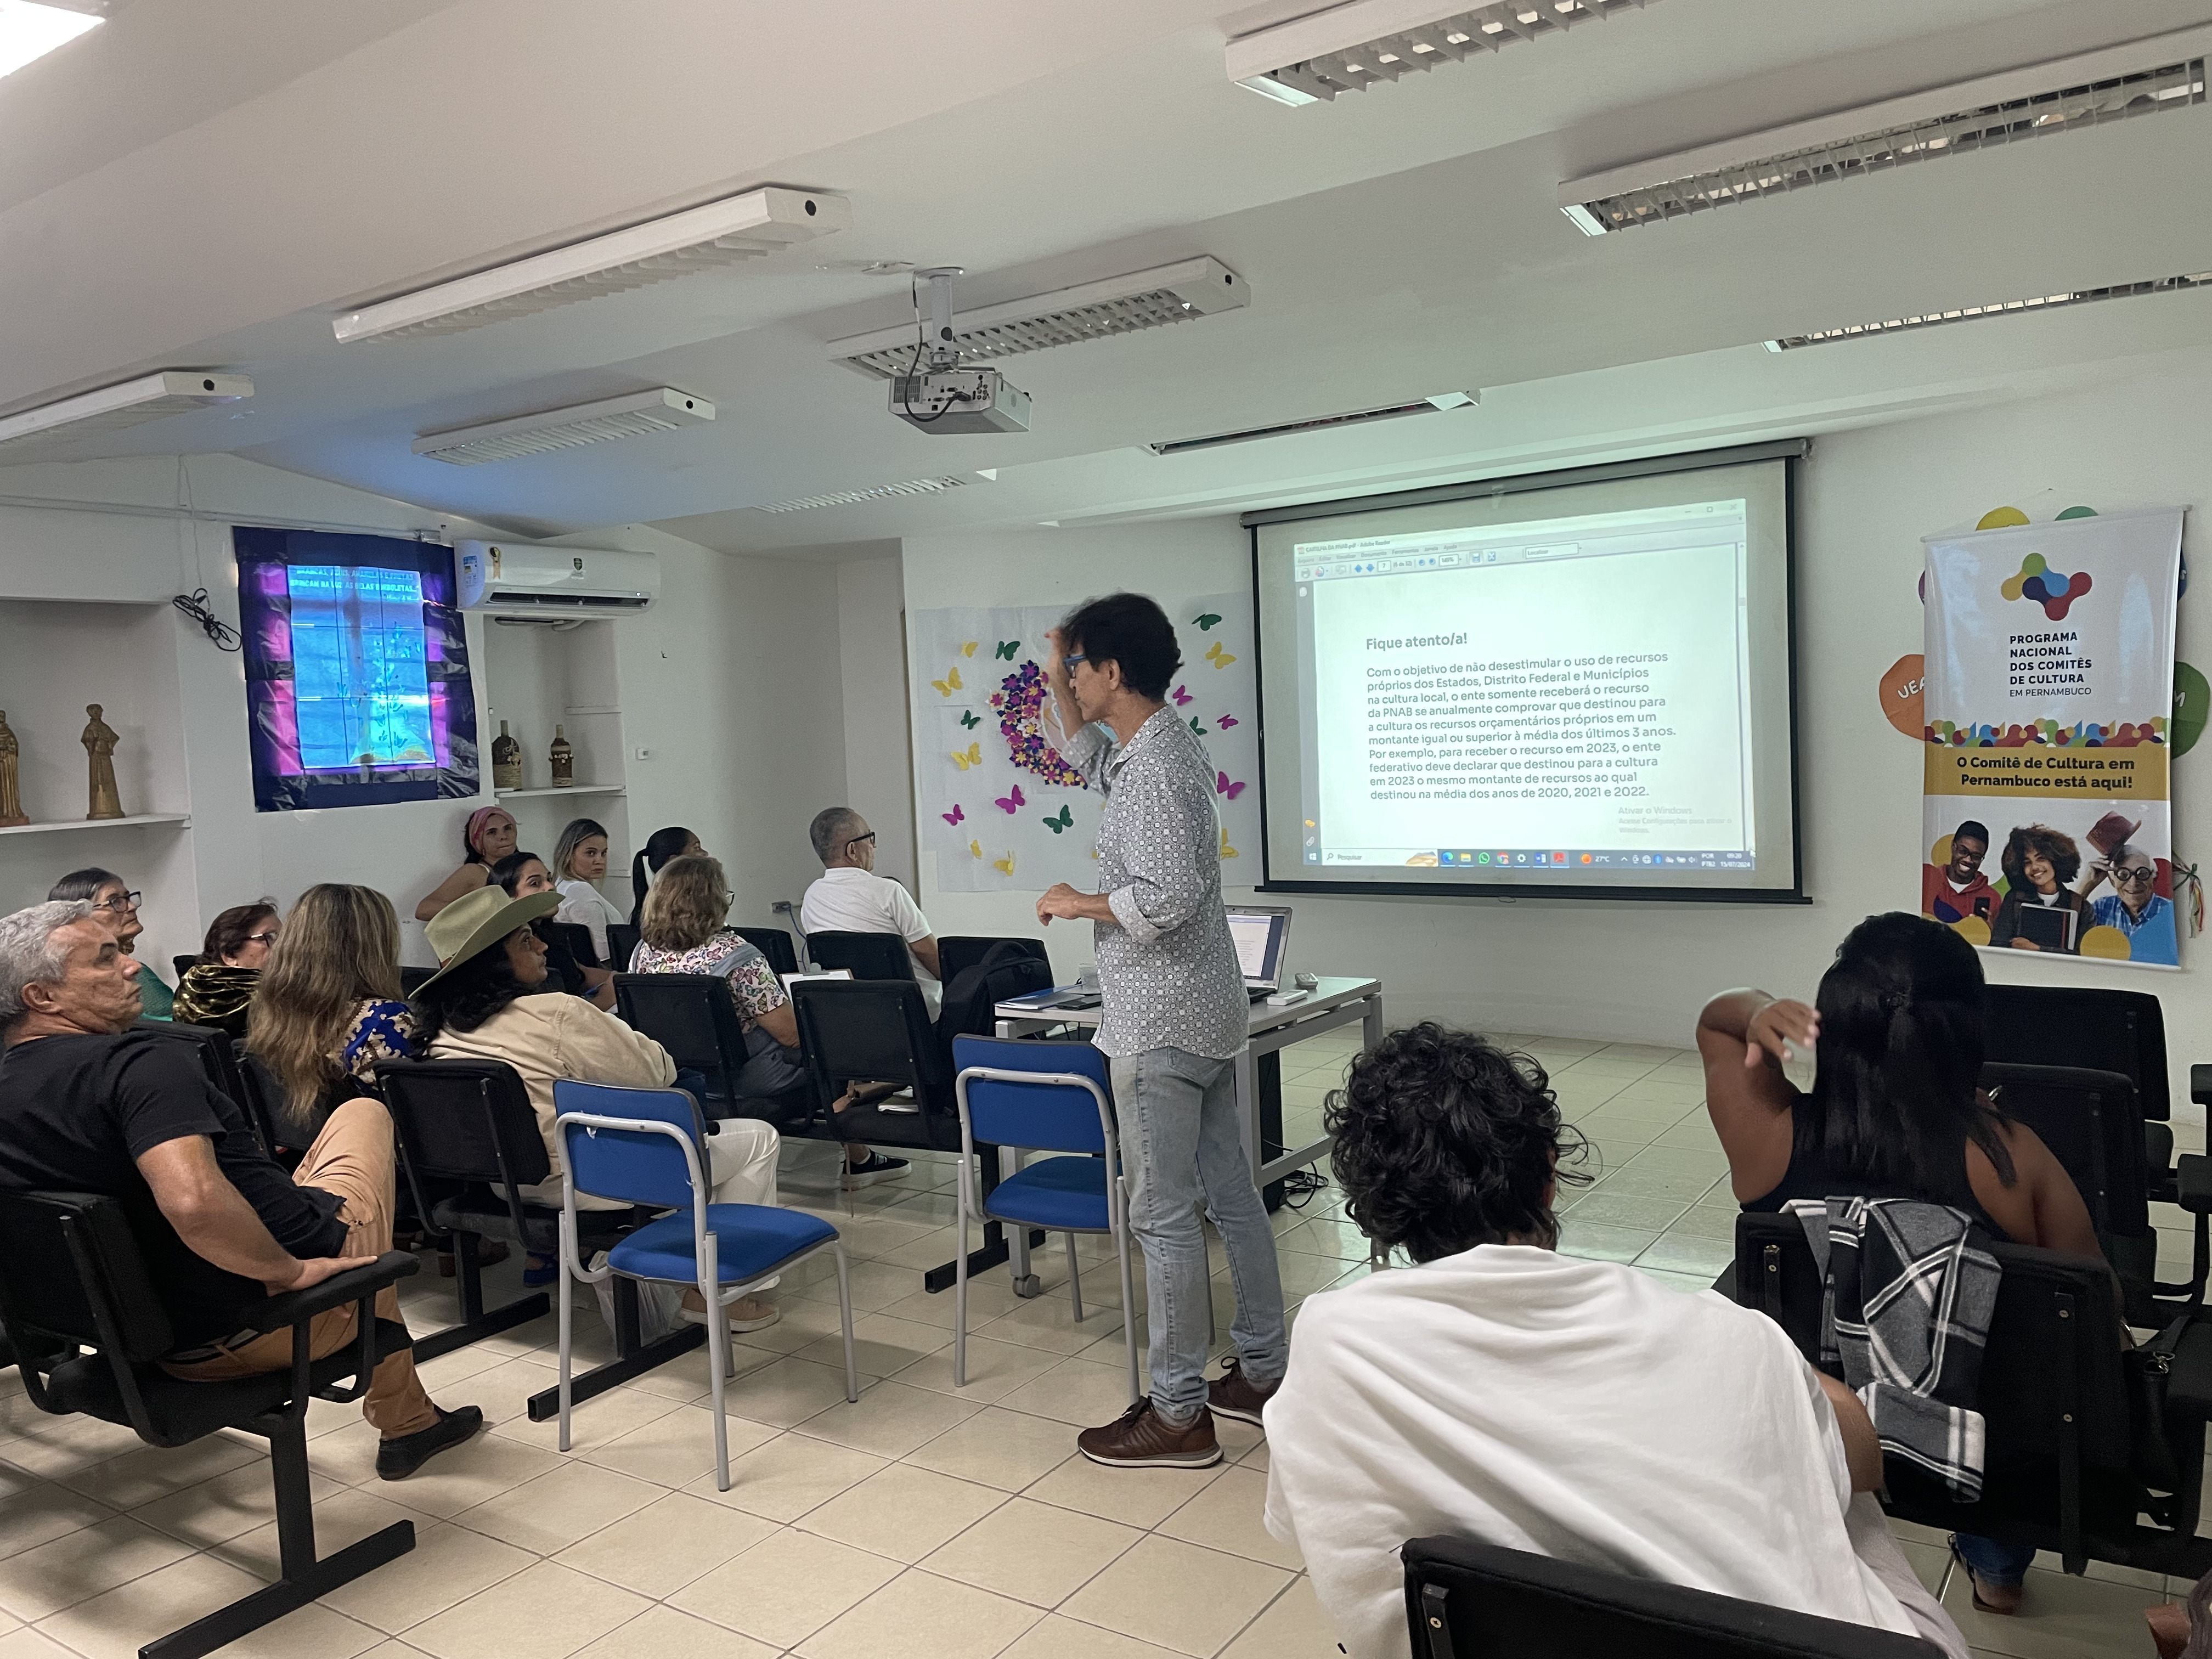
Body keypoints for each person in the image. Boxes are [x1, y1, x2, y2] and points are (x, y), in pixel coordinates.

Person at [1262, 1022, 1967, 1659]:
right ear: (1547, 1176)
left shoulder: (1332, 1344)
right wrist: (1806, 1386)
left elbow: (1309, 1521)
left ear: (1377, 1214)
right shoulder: (1733, 1340)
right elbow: (1867, 1460)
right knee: (1834, 1496)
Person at [1696, 911, 2104, 1615]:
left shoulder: (1768, 1136)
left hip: (1816, 1427)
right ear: (1968, 1033)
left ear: (1831, 1022)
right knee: (2016, 1364)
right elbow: (2091, 1298)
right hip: (1982, 1444)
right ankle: (1997, 1571)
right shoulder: (2012, 1155)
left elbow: (1715, 1022)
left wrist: (1758, 1008)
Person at [0, 900, 483, 1478]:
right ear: (42, 996)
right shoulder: (141, 1064)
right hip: (264, 1324)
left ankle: (411, 1419)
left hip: (134, 1335)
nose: (131, 966)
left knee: (317, 1192)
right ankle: (407, 1420)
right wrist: (287, 1271)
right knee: (365, 1117)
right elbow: (194, 1203)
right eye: (106, 959)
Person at [1035, 591, 1285, 1468]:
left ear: (1113, 671)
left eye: (1078, 667)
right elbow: (1082, 753)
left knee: (1163, 1215)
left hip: (1159, 1023)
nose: (1070, 681)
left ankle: (1178, 1414)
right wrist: (1057, 666)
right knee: (1230, 1195)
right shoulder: (1155, 748)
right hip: (1200, 1014)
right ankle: (1263, 1371)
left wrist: (1079, 902)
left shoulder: (1153, 772)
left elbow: (1168, 898)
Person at [413, 884, 783, 1327]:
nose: (543, 946)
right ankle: (717, 1294)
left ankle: (655, 1267)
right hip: (589, 1182)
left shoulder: (439, 1035)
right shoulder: (556, 1012)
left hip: (504, 1184)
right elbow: (656, 1072)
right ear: (494, 961)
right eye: (526, 940)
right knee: (758, 1138)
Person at [633, 854, 906, 1189]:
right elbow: (791, 1036)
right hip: (751, 1082)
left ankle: (860, 1157)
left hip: (682, 1078)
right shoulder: (736, 956)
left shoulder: (642, 953)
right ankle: (859, 1159)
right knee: (828, 1046)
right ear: (713, 902)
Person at [246, 885, 424, 1137]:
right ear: (374, 946)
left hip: (304, 1154)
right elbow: (416, 1120)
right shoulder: (385, 1020)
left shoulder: (271, 1012)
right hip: (372, 1155)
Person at [801, 808, 941, 981]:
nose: (873, 846)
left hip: (849, 996)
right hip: (914, 995)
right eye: (869, 838)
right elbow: (926, 951)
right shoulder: (888, 891)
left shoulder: (811, 897)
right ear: (852, 850)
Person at [489, 849, 615, 1010]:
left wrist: (623, 979)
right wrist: (604, 1000)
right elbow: (550, 1015)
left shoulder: (547, 934)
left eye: (549, 879)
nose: (550, 887)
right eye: (535, 883)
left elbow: (579, 973)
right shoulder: (510, 951)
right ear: (508, 897)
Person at [48, 866, 172, 1020]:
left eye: (127, 898)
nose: (132, 907)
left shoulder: (134, 970)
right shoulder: (125, 976)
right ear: (80, 917)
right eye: (116, 902)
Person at [172, 901, 281, 1037]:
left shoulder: (189, 985)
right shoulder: (267, 999)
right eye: (269, 937)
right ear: (230, 953)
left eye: (283, 937)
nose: (282, 945)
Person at [1987, 823, 2090, 953]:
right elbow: (1998, 944)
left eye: (2041, 859)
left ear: (2056, 860)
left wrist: (2037, 949)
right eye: (2027, 863)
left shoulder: (2081, 906)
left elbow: (2084, 954)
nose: (2035, 867)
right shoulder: (2014, 899)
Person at [2080, 841, 2178, 966]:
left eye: (2142, 874)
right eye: (2123, 874)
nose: (2133, 883)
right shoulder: (2102, 907)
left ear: (2154, 879)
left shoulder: (2169, 913)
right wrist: (2087, 885)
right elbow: (2065, 930)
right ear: (2113, 881)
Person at [414, 806, 517, 922]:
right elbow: (424, 910)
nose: (503, 837)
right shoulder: (475, 872)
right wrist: (477, 908)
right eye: (492, 832)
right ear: (478, 841)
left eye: (508, 828)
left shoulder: (527, 866)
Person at [551, 817, 626, 967]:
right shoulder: (578, 890)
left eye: (603, 853)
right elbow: (603, 955)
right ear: (569, 854)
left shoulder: (562, 885)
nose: (600, 860)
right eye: (591, 853)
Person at [1921, 819, 1996, 925]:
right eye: (1963, 851)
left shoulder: (1993, 898)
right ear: (1953, 847)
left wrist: (1991, 931)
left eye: (1976, 856)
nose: (1968, 860)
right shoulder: (1927, 882)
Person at [629, 825, 702, 928]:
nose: (705, 854)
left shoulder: (654, 901)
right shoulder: (678, 907)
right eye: (697, 848)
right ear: (674, 861)